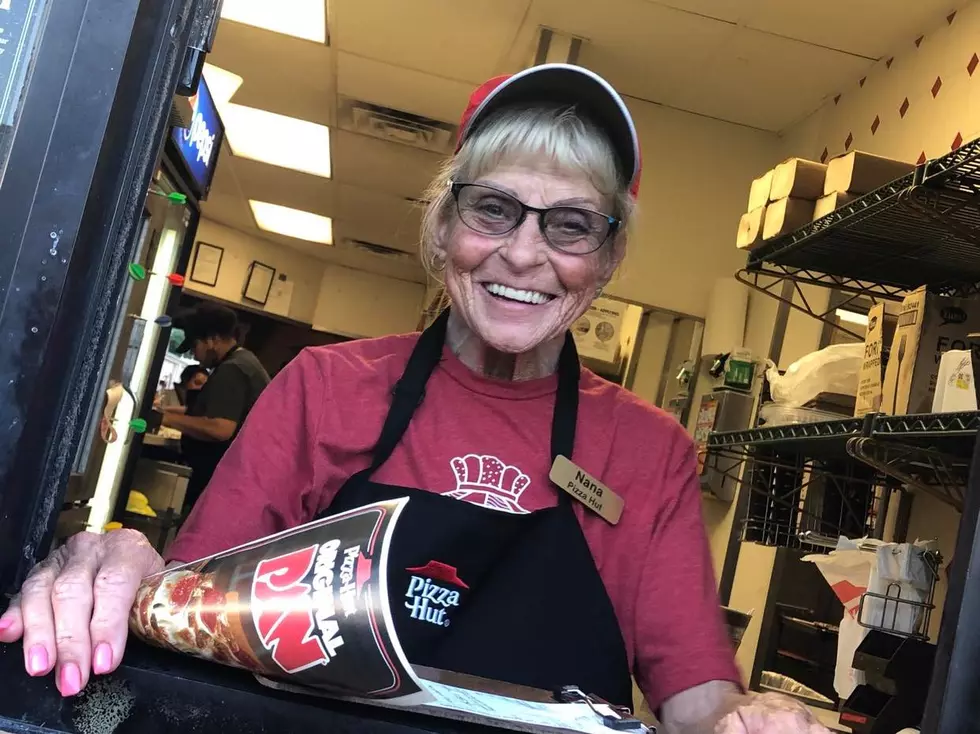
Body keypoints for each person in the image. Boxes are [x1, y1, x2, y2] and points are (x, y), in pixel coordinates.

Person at [0, 64, 830, 733]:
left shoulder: (650, 452)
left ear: (608, 260)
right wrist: (126, 564)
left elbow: (696, 700)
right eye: (494, 209)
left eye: (571, 225)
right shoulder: (325, 389)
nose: (525, 253)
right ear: (442, 229)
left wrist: (748, 718)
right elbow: (192, 608)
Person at [159, 303, 270, 514]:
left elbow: (220, 428)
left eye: (195, 346)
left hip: (227, 479)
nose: (194, 354)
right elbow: (207, 414)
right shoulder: (243, 361)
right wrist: (167, 412)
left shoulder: (233, 370)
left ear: (213, 340)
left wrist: (164, 419)